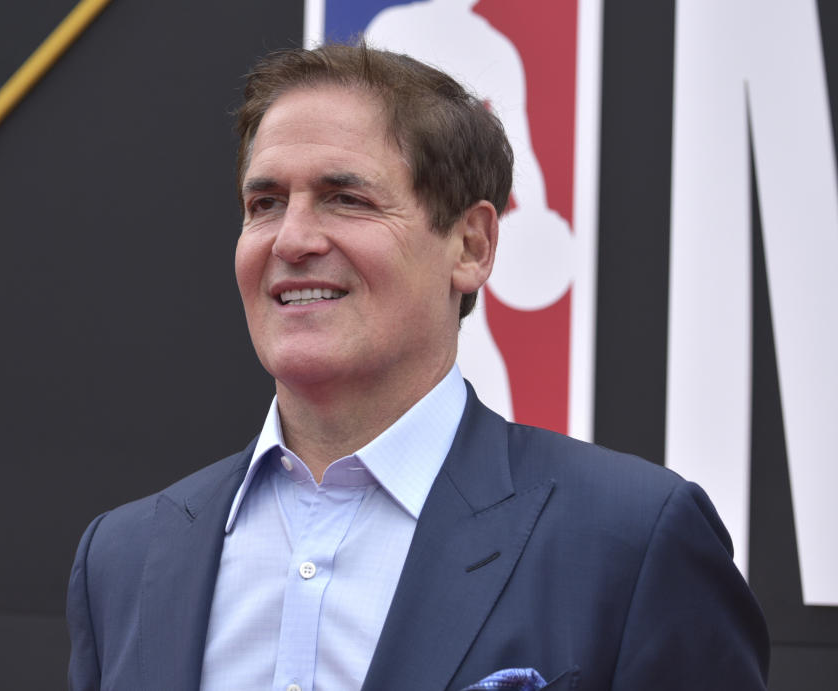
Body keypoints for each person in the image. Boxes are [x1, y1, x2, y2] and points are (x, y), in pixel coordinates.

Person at [66, 43, 769, 691]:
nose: (293, 238)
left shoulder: (632, 541)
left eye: (347, 198)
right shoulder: (122, 560)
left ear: (471, 245)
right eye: (265, 203)